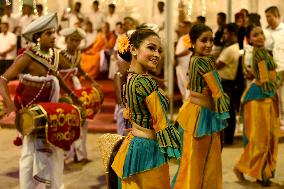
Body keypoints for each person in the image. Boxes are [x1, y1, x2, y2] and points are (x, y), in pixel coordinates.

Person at [0, 13, 81, 189]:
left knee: (53, 148)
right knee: (30, 151)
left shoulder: (54, 55)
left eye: (54, 33)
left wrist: (73, 96)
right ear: (37, 37)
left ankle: (51, 185)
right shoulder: (27, 57)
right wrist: (9, 104)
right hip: (31, 113)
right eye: (49, 34)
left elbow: (57, 76)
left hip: (50, 113)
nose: (54, 37)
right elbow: (3, 80)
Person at [110, 28, 181, 188]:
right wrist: (179, 150)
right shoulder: (145, 82)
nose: (156, 54)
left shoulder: (129, 78)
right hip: (149, 149)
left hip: (134, 144)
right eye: (151, 48)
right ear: (133, 49)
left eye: (159, 50)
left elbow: (129, 114)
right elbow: (162, 123)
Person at [172, 24, 230, 189]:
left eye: (211, 40)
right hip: (202, 115)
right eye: (204, 40)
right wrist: (223, 113)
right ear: (193, 42)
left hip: (197, 112)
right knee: (202, 162)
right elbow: (217, 91)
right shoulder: (202, 61)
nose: (209, 44)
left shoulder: (195, 59)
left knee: (194, 161)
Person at [233, 25, 280, 187]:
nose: (260, 36)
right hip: (260, 97)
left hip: (265, 96)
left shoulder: (264, 52)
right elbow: (265, 79)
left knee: (268, 136)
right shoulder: (259, 54)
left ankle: (262, 171)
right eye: (255, 35)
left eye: (261, 33)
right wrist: (278, 82)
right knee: (261, 138)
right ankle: (255, 171)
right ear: (250, 39)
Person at [58, 27, 103, 164]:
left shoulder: (78, 53)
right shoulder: (59, 55)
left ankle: (81, 154)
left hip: (76, 88)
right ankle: (67, 155)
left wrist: (93, 82)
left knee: (82, 120)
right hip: (62, 90)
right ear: (66, 40)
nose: (75, 43)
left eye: (77, 41)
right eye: (72, 40)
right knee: (67, 122)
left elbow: (81, 71)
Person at [216, 23, 240, 145]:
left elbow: (217, 65)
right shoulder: (234, 47)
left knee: (226, 112)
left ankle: (227, 138)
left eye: (226, 33)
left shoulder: (230, 50)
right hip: (228, 83)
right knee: (229, 111)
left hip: (225, 83)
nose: (224, 36)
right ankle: (228, 137)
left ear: (232, 34)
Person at [264, 6, 284, 130]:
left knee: (282, 97)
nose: (267, 19)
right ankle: (277, 120)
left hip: (282, 66)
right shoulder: (266, 31)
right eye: (266, 17)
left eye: (269, 16)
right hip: (270, 69)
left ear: (276, 15)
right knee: (273, 96)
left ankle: (282, 121)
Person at [175, 21, 192, 101]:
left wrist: (176, 56)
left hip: (185, 64)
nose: (181, 28)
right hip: (180, 64)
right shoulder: (183, 37)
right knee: (181, 85)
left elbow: (188, 50)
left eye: (183, 27)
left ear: (188, 27)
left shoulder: (187, 37)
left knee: (186, 85)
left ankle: (187, 105)